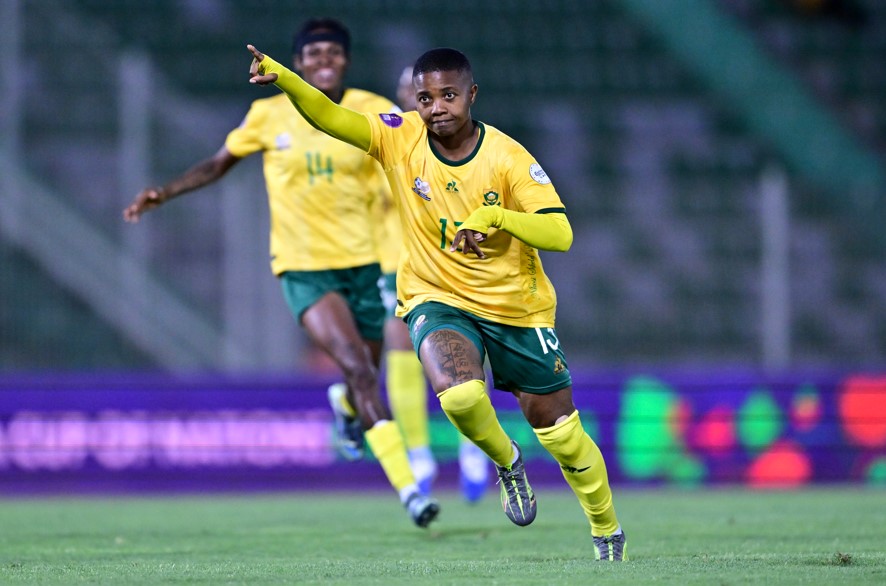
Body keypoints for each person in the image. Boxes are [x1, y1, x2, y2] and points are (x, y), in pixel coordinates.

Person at [246, 45, 628, 560]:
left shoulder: (507, 157)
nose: (437, 107)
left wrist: (497, 218)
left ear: (472, 94)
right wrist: (285, 77)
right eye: (425, 98)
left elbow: (560, 233)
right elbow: (332, 117)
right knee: (460, 396)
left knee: (561, 435)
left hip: (515, 307)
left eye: (449, 95)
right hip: (436, 295)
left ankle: (606, 528)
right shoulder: (399, 136)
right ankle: (507, 462)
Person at [122, 18, 440, 529]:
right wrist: (166, 191)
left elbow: (413, 161)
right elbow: (218, 164)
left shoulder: (371, 108)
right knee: (360, 369)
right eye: (313, 53)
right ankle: (410, 490)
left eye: (333, 52)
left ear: (347, 60)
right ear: (297, 63)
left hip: (364, 263)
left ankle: (346, 408)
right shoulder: (268, 115)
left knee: (363, 374)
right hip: (303, 266)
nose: (323, 60)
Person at [382, 66, 490, 502]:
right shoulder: (387, 138)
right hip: (397, 262)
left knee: (465, 354)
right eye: (414, 91)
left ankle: (474, 446)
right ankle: (420, 454)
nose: (420, 98)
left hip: (454, 263)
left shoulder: (466, 143)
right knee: (398, 345)